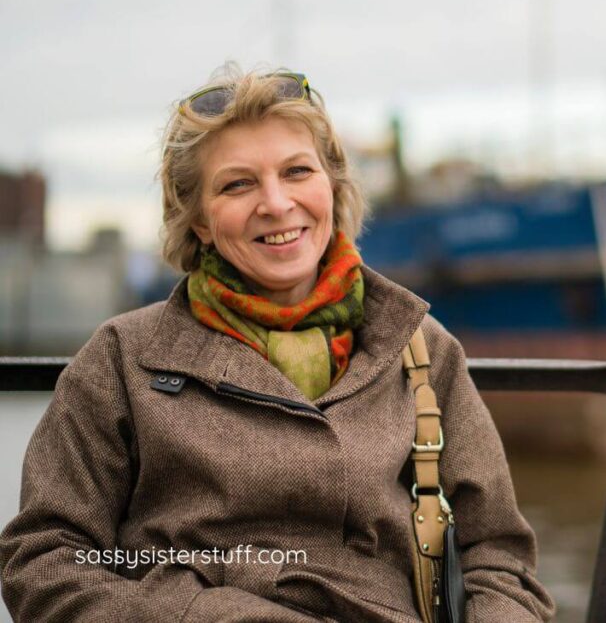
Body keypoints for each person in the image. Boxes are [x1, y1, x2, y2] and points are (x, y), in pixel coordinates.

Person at [0, 67, 555, 622]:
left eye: (297, 171)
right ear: (197, 220)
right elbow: (43, 560)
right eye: (237, 184)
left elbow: (499, 561)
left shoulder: (422, 352)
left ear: (333, 188)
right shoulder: (124, 360)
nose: (276, 202)